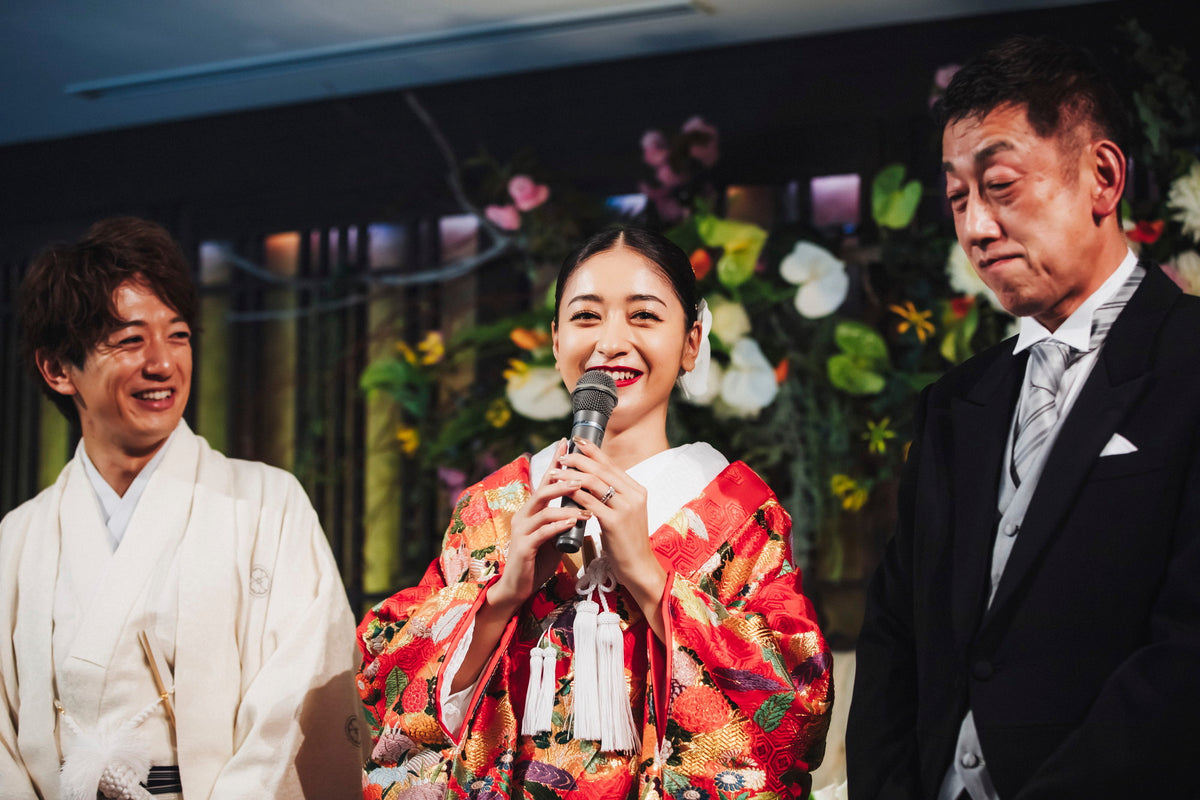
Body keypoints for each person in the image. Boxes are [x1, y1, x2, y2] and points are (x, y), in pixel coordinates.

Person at [357, 227, 832, 799]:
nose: (611, 342)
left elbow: (796, 707)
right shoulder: (494, 508)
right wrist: (500, 598)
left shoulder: (738, 516)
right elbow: (388, 683)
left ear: (691, 341)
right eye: (586, 317)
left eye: (644, 316)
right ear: (556, 341)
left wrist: (654, 583)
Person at [846, 35, 1200, 798]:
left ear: (1102, 178)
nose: (974, 227)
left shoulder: (1189, 360)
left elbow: (1188, 655)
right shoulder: (954, 402)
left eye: (1001, 185)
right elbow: (895, 638)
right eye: (957, 198)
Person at [0, 217, 364, 799]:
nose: (163, 363)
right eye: (128, 339)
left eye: (178, 334)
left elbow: (298, 698)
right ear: (56, 369)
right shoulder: (16, 541)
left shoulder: (267, 505)